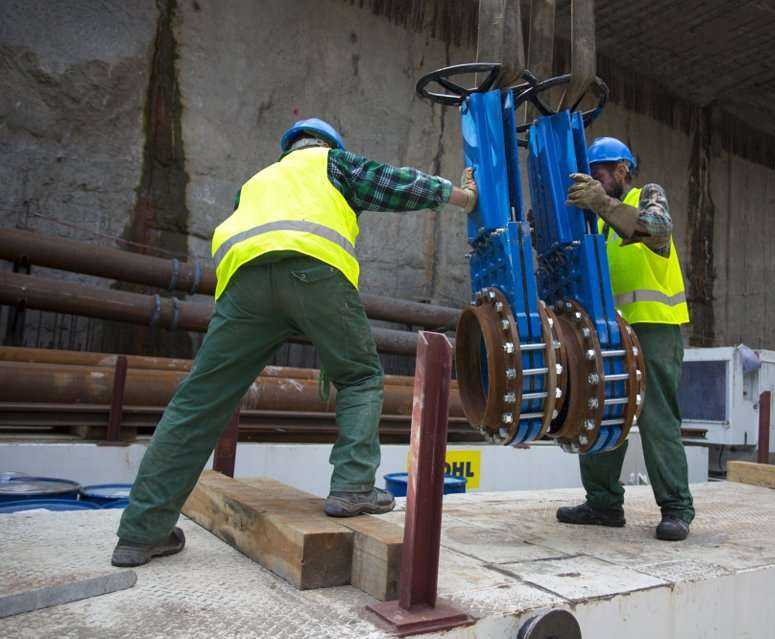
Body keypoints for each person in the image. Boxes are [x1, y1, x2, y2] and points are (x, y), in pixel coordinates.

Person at [112, 118, 478, 567]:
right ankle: (352, 488)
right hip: (315, 274)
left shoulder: (256, 182)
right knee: (360, 376)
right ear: (326, 145)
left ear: (287, 148)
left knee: (198, 403)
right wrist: (461, 195)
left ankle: (138, 534)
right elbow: (397, 184)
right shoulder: (333, 163)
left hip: (242, 286)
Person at [557, 136, 694, 541]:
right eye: (591, 174)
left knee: (656, 417)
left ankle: (676, 508)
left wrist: (602, 202)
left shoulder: (646, 196)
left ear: (622, 169)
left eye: (600, 172)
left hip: (653, 327)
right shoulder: (596, 219)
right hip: (608, 330)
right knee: (598, 409)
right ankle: (602, 503)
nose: (595, 180)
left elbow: (657, 230)